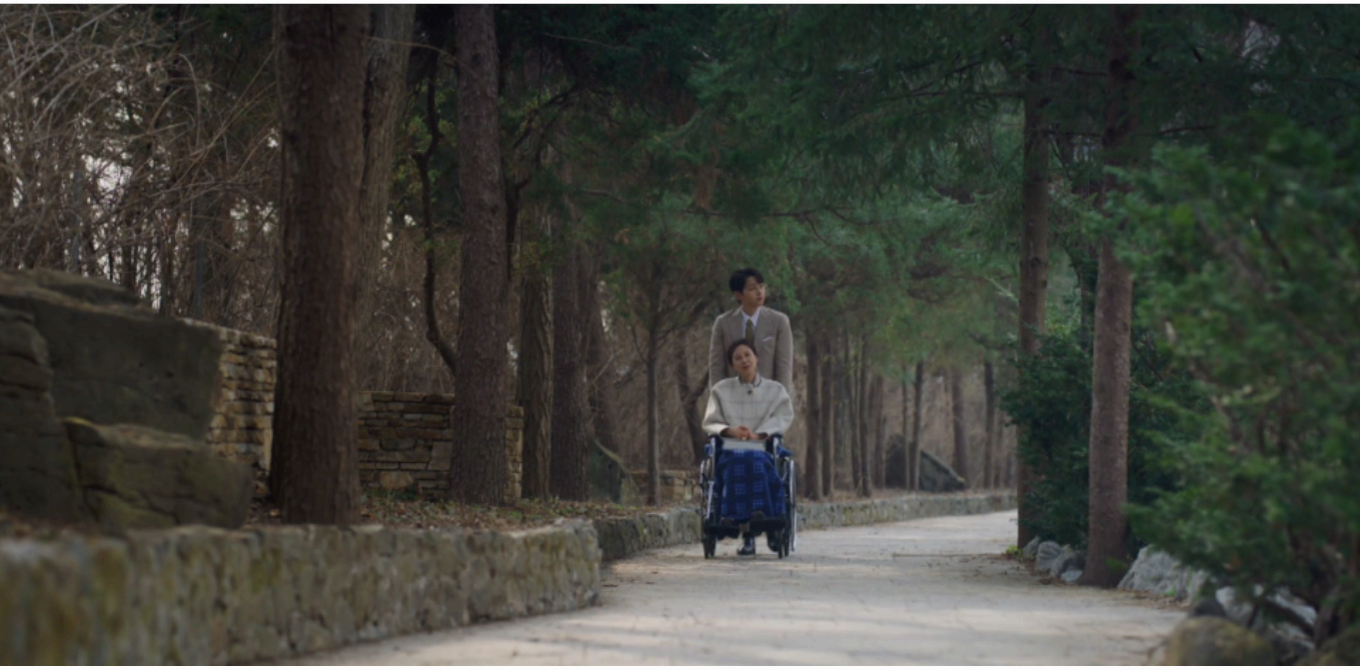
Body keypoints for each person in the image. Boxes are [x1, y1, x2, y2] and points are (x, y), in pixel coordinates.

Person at [703, 339, 795, 556]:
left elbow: (784, 417)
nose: (744, 360)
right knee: (735, 463)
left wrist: (758, 434)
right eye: (738, 358)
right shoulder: (721, 390)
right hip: (730, 448)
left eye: (747, 355)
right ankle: (731, 517)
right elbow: (710, 421)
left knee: (757, 462)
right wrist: (731, 430)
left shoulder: (775, 390)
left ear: (757, 358)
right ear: (733, 365)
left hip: (761, 448)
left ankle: (762, 516)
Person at [708, 268, 794, 402]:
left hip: (767, 398)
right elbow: (716, 366)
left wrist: (781, 401)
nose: (759, 292)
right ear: (738, 294)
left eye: (761, 286)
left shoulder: (779, 322)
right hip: (734, 399)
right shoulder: (723, 323)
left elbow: (784, 366)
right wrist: (719, 400)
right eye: (752, 288)